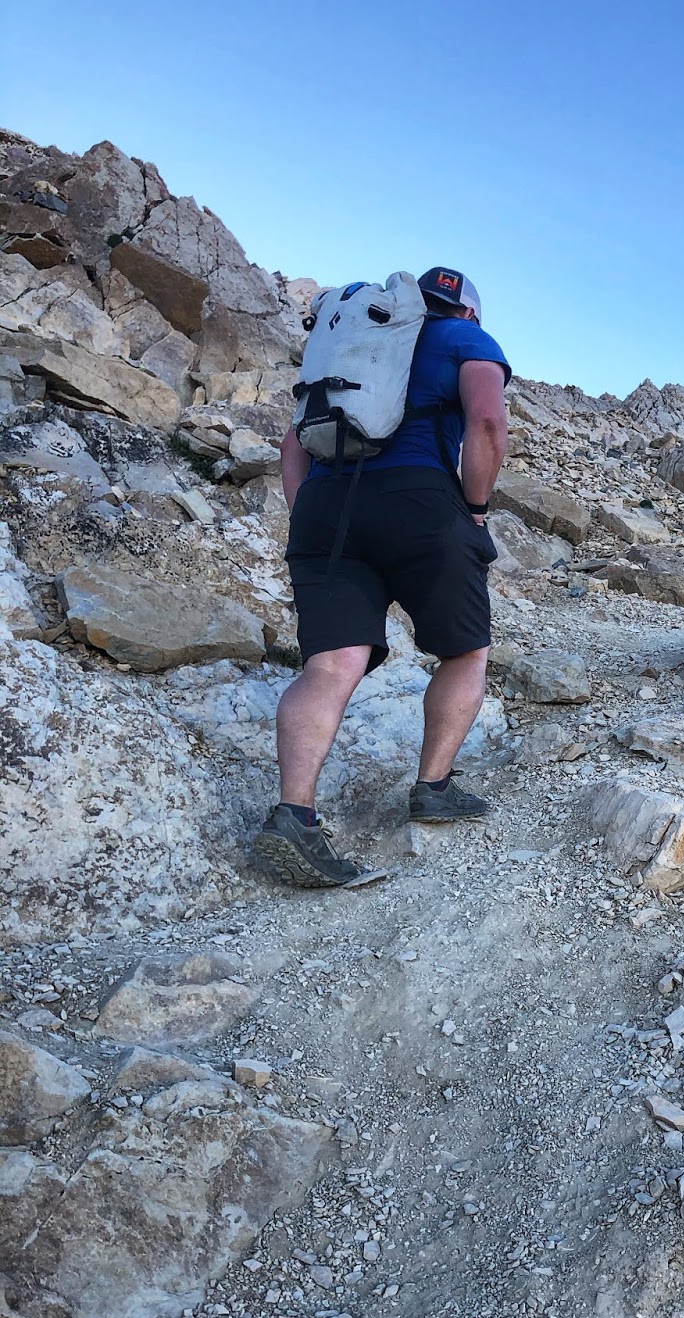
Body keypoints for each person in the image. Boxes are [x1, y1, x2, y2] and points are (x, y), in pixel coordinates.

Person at [253, 268, 510, 888]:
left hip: (324, 508)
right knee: (465, 650)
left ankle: (296, 816)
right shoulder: (464, 341)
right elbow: (486, 423)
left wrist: (313, 521)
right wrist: (473, 512)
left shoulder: (351, 343)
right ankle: (433, 788)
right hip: (420, 501)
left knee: (329, 666)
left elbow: (292, 450)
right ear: (467, 312)